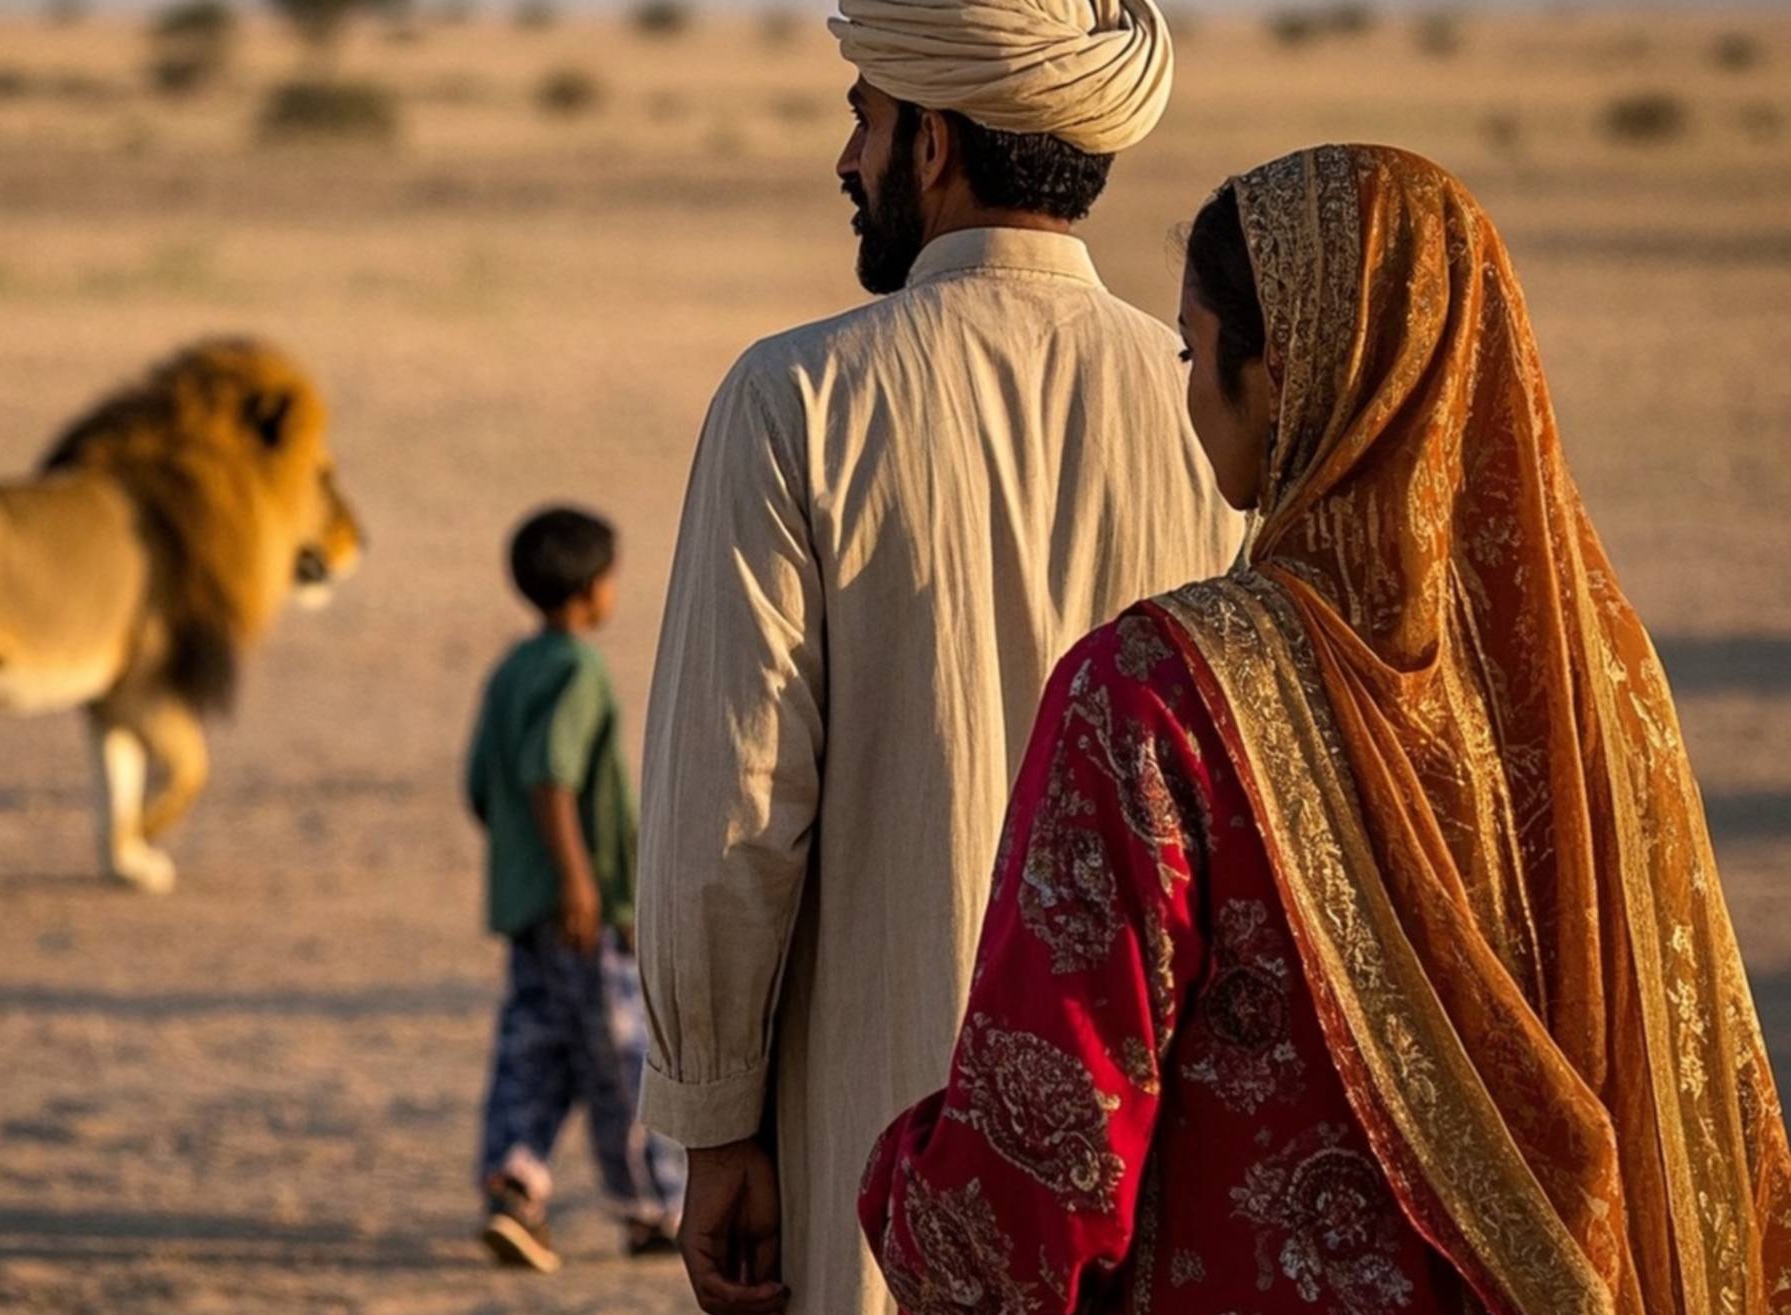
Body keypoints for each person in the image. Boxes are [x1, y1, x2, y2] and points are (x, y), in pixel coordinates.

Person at [859, 143, 1791, 1314]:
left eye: (1198, 354)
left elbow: (1044, 1159)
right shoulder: (1605, 690)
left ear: (1283, 372)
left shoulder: (1162, 690)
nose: (1190, 393)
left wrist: (896, 1184)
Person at [632, 0, 1241, 1307]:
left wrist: (717, 1121)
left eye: (862, 116)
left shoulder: (794, 398)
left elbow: (733, 813)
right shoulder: (1206, 411)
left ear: (931, 143)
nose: (844, 160)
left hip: (875, 1135)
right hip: (1142, 1145)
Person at [464, 506, 685, 1274]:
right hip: (579, 913)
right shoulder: (577, 670)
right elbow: (549, 775)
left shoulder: (511, 670)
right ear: (593, 588)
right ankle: (656, 1207)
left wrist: (531, 872)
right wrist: (580, 880)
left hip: (525, 908)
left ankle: (514, 1183)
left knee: (536, 1050)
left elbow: (481, 788)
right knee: (620, 1058)